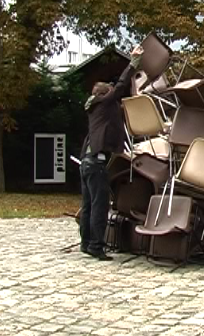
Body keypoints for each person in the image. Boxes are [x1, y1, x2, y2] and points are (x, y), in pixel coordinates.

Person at [79, 45, 143, 260]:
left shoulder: (94, 107)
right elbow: (122, 84)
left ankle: (86, 243)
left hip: (86, 162)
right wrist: (133, 62)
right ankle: (97, 246)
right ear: (105, 95)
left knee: (88, 204)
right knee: (100, 205)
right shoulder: (105, 103)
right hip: (96, 163)